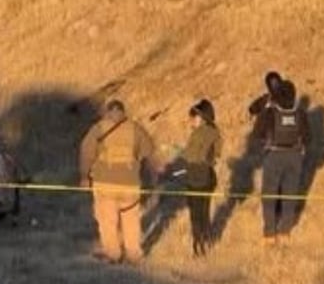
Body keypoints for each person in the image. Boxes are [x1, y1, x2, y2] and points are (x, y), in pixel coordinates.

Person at [79, 99, 158, 264]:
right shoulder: (135, 129)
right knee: (131, 220)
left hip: (105, 183)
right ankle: (134, 254)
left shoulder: (99, 128)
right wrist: (151, 180)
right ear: (124, 112)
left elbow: (86, 152)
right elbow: (149, 153)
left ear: (107, 113)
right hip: (130, 184)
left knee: (107, 220)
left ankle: (113, 254)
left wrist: (84, 176)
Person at [254, 79, 309, 241]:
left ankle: (270, 233)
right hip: (295, 157)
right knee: (290, 194)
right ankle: (285, 231)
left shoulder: (270, 112)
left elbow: (257, 134)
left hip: (274, 156)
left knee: (269, 195)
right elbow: (308, 138)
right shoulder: (300, 113)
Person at [175, 99, 222, 257]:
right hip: (208, 176)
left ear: (200, 118)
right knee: (204, 211)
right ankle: (207, 241)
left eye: (192, 118)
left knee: (195, 213)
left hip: (196, 176)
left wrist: (176, 151)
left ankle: (198, 245)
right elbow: (216, 155)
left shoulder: (199, 133)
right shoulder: (214, 131)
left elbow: (191, 155)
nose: (190, 121)